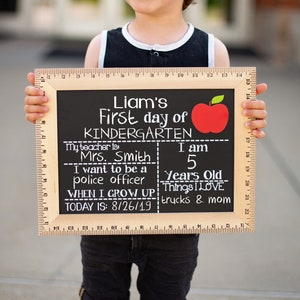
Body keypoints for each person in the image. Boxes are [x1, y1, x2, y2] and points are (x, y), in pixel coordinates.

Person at [24, 1, 268, 299]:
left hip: (178, 226)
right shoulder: (101, 48)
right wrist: (47, 110)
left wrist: (247, 120)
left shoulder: (211, 52)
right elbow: (82, 121)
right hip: (104, 219)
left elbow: (224, 138)